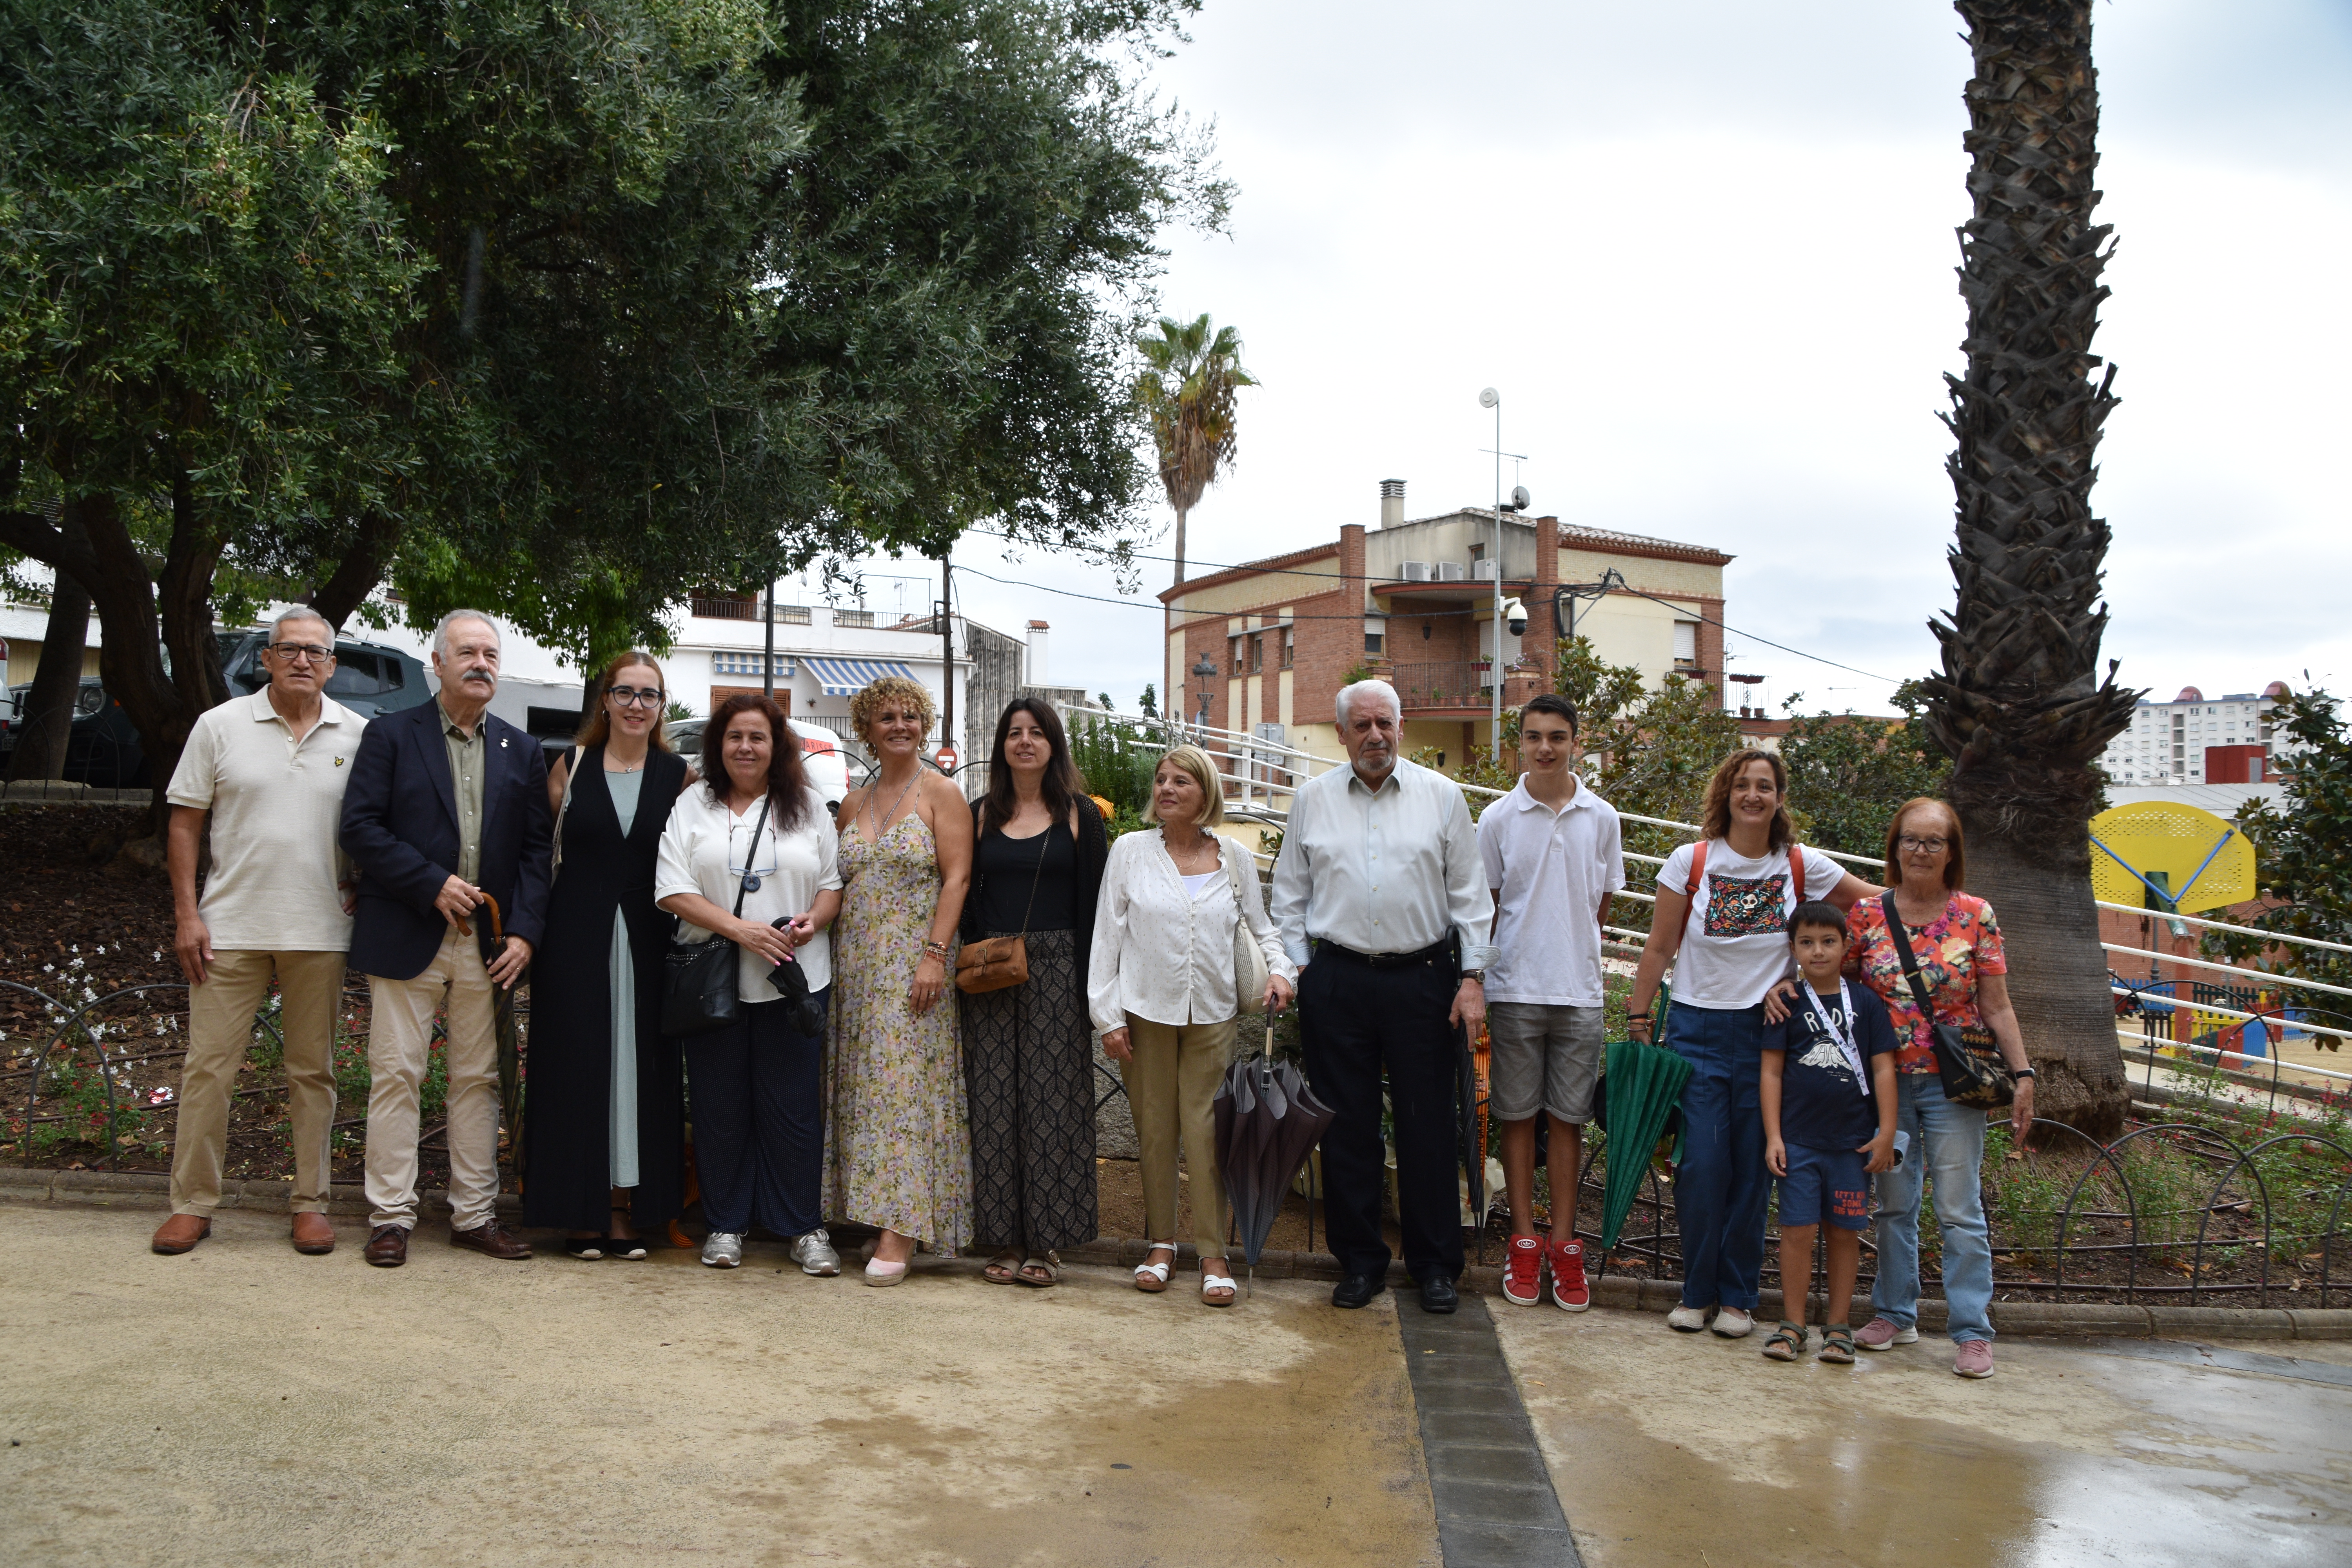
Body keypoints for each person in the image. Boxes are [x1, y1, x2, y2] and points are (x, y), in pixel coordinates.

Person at [1623, 749, 1874, 1337]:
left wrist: (1816, 978)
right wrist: (1638, 1019)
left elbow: (1871, 907)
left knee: (1756, 1169)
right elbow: (1659, 947)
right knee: (1702, 1166)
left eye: (1766, 786)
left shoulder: (1801, 865)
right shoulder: (1693, 861)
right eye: (1743, 786)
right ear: (1726, 794)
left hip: (1769, 1038)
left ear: (1780, 798)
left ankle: (1737, 1298)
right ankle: (1697, 1290)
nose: (1754, 796)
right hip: (1696, 1029)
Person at [1271, 679, 1492, 1316]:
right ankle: (1360, 1262)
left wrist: (1472, 977)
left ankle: (1434, 1267)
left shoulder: (1442, 797)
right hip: (1336, 982)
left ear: (1402, 725)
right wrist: (1302, 969)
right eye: (1361, 726)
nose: (1375, 736)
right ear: (1341, 734)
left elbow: (1471, 897)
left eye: (1384, 724)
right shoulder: (1311, 801)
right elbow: (1289, 895)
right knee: (1348, 1129)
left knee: (1428, 1125)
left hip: (1424, 980)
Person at [340, 610, 551, 1268]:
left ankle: (474, 1215)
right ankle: (391, 1219)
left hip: (488, 946)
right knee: (398, 1075)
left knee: (478, 1081)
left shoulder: (524, 749)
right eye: (467, 652)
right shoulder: (390, 736)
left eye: (491, 653)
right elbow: (361, 828)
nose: (481, 663)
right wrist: (431, 883)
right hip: (409, 929)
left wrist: (525, 932)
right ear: (437, 663)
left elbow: (536, 855)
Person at [152, 608, 365, 1256]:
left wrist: (363, 880)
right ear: (266, 659)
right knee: (209, 1069)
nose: (303, 660)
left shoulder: (359, 735)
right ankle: (192, 1204)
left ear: (332, 664)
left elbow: (374, 826)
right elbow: (185, 824)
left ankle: (311, 1204)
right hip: (228, 927)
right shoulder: (219, 727)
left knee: (313, 1072)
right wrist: (188, 914)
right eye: (289, 649)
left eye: (316, 652)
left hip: (321, 929)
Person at [1091, 744, 1296, 1307]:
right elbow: (1106, 938)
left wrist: (1281, 972)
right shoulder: (1130, 851)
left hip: (1213, 1015)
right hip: (1143, 1013)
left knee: (1206, 1135)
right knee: (1155, 1132)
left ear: (1205, 793)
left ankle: (1212, 1253)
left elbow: (1264, 930)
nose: (1167, 789)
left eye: (1181, 781)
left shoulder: (1231, 857)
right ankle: (1161, 1246)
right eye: (1161, 780)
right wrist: (1107, 1017)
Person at [1838, 798, 2034, 1378]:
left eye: (1933, 842)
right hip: (1887, 1082)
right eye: (1910, 840)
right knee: (1894, 1205)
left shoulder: (1976, 915)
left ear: (1953, 853)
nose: (1920, 851)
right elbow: (1840, 988)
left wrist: (2023, 1076)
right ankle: (1895, 1314)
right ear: (1895, 847)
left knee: (1958, 1208)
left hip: (1954, 1086)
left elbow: (1996, 1005)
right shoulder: (1869, 917)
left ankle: (1973, 1331)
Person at [655, 694, 841, 1275]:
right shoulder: (693, 805)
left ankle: (802, 1227)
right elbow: (670, 888)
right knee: (719, 1107)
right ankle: (726, 1224)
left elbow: (832, 884)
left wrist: (817, 919)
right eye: (735, 736)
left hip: (795, 980)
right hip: (716, 982)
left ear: (775, 744)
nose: (745, 747)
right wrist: (741, 931)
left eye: (757, 737)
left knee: (793, 1110)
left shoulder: (808, 806)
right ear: (719, 744)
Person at [523, 652, 692, 1259]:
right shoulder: (570, 766)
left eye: (650, 696)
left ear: (660, 707)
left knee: (639, 1071)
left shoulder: (680, 776)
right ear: (605, 700)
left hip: (649, 941)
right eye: (626, 693)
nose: (637, 706)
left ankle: (625, 1210)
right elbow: (541, 859)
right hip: (575, 941)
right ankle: (579, 1210)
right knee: (577, 1070)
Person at [823, 675, 974, 1285]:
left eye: (911, 716)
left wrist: (935, 955)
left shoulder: (942, 794)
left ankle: (903, 1228)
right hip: (856, 969)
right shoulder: (854, 804)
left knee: (907, 1095)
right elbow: (840, 884)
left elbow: (958, 879)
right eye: (887, 717)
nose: (901, 726)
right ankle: (877, 1212)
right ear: (867, 728)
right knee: (868, 1092)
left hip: (916, 969)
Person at [1476, 694, 1624, 1312]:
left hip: (1579, 995)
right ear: (1520, 743)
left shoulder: (1602, 817)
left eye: (1557, 737)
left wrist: (1572, 954)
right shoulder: (1498, 819)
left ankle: (1565, 1247)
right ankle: (1524, 1242)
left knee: (1568, 1120)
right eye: (1534, 736)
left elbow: (1602, 904)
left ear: (1575, 742)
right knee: (1516, 1119)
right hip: (1513, 989)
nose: (1545, 747)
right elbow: (1484, 907)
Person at [960, 697, 1108, 1289]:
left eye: (1036, 733)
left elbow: (1095, 906)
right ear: (1001, 745)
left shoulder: (1080, 815)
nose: (1025, 742)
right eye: (1014, 733)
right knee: (993, 1106)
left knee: (1054, 1108)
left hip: (1058, 968)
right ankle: (1006, 1237)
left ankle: (1046, 1243)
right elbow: (965, 891)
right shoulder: (979, 814)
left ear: (1053, 744)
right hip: (993, 970)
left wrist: (1090, 991)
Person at [1759, 902, 1899, 1365]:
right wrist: (1774, 1136)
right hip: (1798, 1142)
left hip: (1853, 1146)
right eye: (1806, 942)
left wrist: (1886, 1132)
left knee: (1845, 1234)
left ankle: (1838, 1327)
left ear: (1846, 945)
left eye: (1828, 941)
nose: (1818, 951)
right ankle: (1793, 1325)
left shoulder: (1867, 1003)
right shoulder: (1787, 1003)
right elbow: (1772, 1073)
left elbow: (1883, 1070)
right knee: (1796, 1232)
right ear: (1794, 948)